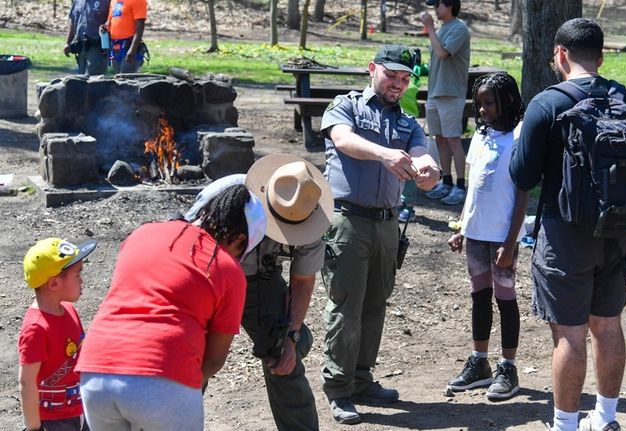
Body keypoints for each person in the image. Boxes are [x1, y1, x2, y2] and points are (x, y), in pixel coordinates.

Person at [508, 18, 626, 431]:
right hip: (618, 230)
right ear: (601, 57)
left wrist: (519, 141)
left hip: (565, 233)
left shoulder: (545, 104)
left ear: (561, 55)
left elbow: (523, 176)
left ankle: (565, 425)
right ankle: (605, 419)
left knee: (569, 334)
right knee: (608, 325)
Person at [76, 184, 266, 431]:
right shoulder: (227, 269)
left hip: (94, 372)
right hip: (160, 377)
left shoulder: (143, 233)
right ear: (240, 238)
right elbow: (213, 361)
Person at [320, 44, 442, 425]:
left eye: (405, 79)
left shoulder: (407, 122)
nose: (398, 84)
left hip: (388, 225)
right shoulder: (347, 106)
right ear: (372, 69)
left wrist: (429, 170)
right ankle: (338, 389)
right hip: (347, 221)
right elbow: (342, 139)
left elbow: (422, 154)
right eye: (392, 75)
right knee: (346, 307)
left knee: (375, 306)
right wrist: (384, 154)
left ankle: (361, 378)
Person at [184, 154, 333, 431]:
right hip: (209, 276)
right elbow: (187, 242)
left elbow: (302, 281)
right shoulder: (228, 193)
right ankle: (174, 419)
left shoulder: (311, 211)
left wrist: (292, 335)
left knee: (285, 357)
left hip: (260, 280)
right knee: (192, 355)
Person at [445, 72, 526, 401]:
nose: (482, 109)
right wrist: (461, 227)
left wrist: (510, 241)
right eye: (478, 104)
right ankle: (480, 363)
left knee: (505, 298)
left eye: (488, 103)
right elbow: (473, 187)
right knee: (479, 295)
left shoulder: (519, 137)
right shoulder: (480, 136)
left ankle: (508, 367)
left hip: (503, 236)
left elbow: (522, 193)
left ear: (506, 101)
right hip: (476, 233)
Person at [19, 238, 97, 431]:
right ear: (54, 284)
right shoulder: (36, 329)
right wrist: (34, 428)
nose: (82, 280)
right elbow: (27, 383)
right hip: (53, 421)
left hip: (80, 408)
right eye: (77, 275)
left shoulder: (70, 311)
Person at [419, 0, 471, 206]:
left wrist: (430, 27)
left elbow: (443, 53)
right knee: (440, 139)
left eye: (437, 4)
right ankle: (446, 181)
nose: (434, 9)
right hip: (434, 94)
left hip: (451, 95)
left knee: (453, 140)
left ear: (449, 5)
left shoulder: (459, 29)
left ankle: (460, 185)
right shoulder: (442, 30)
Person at [65, 0, 109, 75]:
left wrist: (106, 45)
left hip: (97, 48)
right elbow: (72, 20)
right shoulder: (78, 1)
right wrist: (68, 42)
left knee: (94, 80)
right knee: (80, 80)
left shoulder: (107, 1)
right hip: (80, 47)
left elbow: (111, 21)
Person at [102, 0, 147, 74]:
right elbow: (110, 20)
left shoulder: (138, 1)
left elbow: (140, 26)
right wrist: (105, 26)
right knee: (118, 79)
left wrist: (133, 49)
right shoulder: (114, 1)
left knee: (126, 79)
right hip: (115, 47)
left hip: (129, 46)